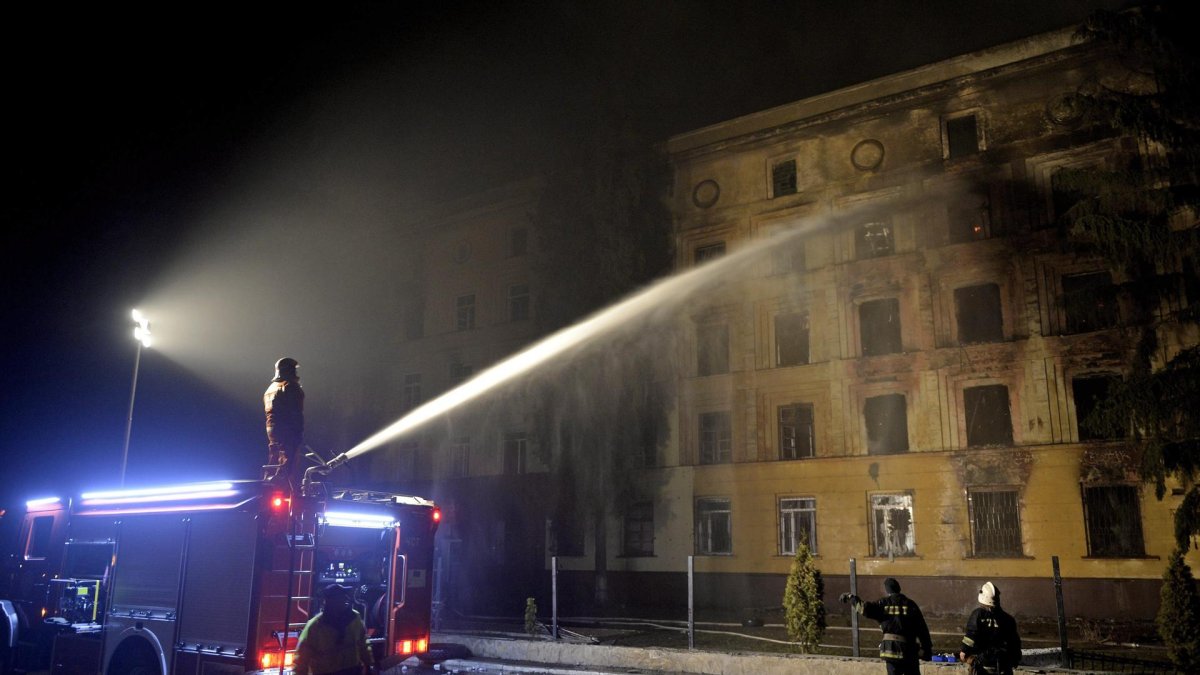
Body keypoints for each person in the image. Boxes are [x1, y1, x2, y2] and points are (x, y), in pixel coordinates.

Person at [840, 577, 933, 675]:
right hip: (908, 651)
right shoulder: (910, 604)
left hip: (890, 650)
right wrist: (926, 649)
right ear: (899, 589)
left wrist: (851, 597)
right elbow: (922, 628)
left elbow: (863, 609)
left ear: (887, 590)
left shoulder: (882, 604)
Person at [293, 584, 375, 675]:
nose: (343, 600)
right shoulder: (315, 626)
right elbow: (302, 658)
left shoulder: (354, 618)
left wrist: (368, 665)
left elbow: (363, 643)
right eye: (339, 598)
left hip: (352, 670)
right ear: (329, 601)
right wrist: (368, 665)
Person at [959, 581, 1021, 675]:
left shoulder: (977, 615)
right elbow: (1014, 642)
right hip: (1003, 664)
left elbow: (971, 635)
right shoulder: (1008, 619)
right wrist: (1015, 659)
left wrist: (964, 651)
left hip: (982, 664)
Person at [264, 357, 305, 483]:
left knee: (274, 459)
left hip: (272, 428)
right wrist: (298, 432)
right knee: (288, 461)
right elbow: (295, 411)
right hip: (287, 429)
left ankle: (267, 486)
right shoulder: (290, 386)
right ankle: (284, 490)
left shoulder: (271, 388)